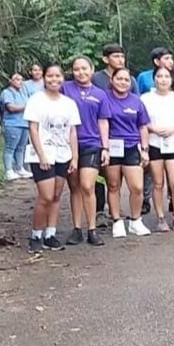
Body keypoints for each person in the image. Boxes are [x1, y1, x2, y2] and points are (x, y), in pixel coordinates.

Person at [23, 64, 80, 253]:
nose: (53, 79)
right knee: (45, 196)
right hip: (43, 153)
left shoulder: (68, 103)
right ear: (44, 78)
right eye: (50, 76)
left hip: (63, 153)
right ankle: (36, 235)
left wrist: (74, 157)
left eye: (57, 76)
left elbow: (72, 131)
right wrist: (41, 155)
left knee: (56, 196)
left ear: (63, 78)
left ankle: (50, 233)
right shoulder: (36, 100)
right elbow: (33, 128)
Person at [61, 57, 111, 246]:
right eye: (76, 69)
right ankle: (77, 229)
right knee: (74, 187)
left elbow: (103, 121)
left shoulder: (100, 94)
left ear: (91, 70)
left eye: (84, 68)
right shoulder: (65, 89)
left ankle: (92, 229)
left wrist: (105, 147)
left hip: (92, 144)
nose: (80, 72)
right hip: (67, 144)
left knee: (87, 186)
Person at [141, 67, 174, 233]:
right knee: (158, 183)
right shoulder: (146, 98)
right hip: (154, 143)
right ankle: (160, 217)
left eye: (166, 77)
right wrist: (153, 129)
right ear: (154, 79)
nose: (163, 80)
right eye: (159, 76)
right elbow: (141, 121)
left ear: (171, 80)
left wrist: (172, 130)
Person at [92, 44, 137, 229]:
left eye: (122, 56)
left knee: (121, 178)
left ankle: (115, 210)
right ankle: (99, 210)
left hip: (124, 136)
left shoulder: (130, 80)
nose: (120, 59)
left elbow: (135, 103)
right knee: (100, 175)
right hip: (99, 132)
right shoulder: (96, 78)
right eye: (116, 56)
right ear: (105, 59)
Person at [104, 67, 152, 238]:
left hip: (132, 147)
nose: (123, 82)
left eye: (126, 80)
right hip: (111, 146)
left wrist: (145, 149)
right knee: (113, 185)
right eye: (119, 79)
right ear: (112, 80)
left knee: (137, 187)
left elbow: (143, 126)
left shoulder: (137, 101)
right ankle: (117, 221)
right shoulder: (105, 99)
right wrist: (105, 148)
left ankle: (135, 220)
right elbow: (102, 123)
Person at [136, 47, 174, 215]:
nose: (170, 62)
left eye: (171, 58)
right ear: (156, 61)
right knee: (150, 169)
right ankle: (146, 198)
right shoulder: (144, 77)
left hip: (173, 130)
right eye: (167, 58)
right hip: (150, 128)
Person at [0, 73, 33, 181]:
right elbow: (11, 108)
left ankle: (20, 168)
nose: (20, 81)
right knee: (10, 148)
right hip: (12, 124)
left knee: (21, 148)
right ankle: (9, 170)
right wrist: (26, 107)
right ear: (11, 81)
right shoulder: (7, 92)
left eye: (21, 79)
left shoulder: (23, 93)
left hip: (24, 123)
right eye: (17, 79)